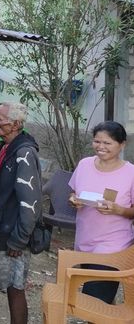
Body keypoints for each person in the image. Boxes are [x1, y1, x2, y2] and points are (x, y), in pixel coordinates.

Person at [0, 102, 42, 324]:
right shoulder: (7, 148)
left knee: (15, 288)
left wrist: (19, 240)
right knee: (10, 287)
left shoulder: (24, 153)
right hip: (5, 231)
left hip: (14, 235)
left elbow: (30, 202)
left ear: (16, 124)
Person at [68, 121, 134, 304]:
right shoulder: (84, 164)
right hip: (84, 241)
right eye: (97, 141)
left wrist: (118, 209)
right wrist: (74, 200)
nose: (101, 147)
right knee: (102, 300)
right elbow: (74, 192)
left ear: (122, 145)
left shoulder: (131, 173)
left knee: (93, 300)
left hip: (112, 246)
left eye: (107, 143)